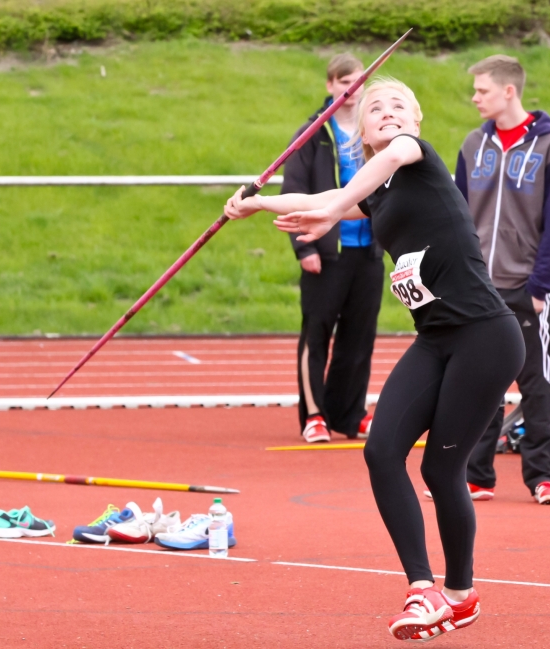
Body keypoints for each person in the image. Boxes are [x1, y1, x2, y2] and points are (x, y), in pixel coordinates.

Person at [224, 79, 525, 642]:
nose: (387, 113)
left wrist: (333, 210)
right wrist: (258, 203)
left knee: (441, 470)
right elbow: (323, 197)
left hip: (485, 336)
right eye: (375, 109)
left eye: (398, 105)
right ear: (359, 129)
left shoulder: (414, 154)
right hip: (435, 338)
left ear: (416, 119)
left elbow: (345, 192)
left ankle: (460, 594)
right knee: (381, 451)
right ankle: (423, 588)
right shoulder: (375, 191)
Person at [454, 54, 550, 505]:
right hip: (477, 286)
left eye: (482, 90)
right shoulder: (473, 144)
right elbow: (458, 215)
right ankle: (475, 476)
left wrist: (542, 286)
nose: (475, 98)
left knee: (537, 384)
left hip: (526, 286)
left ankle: (545, 478)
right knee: (478, 383)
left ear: (509, 91)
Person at [281, 53, 384, 443]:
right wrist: (303, 247)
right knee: (317, 333)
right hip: (325, 253)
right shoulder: (313, 133)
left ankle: (350, 413)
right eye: (344, 82)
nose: (352, 89)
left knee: (359, 336)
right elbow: (293, 190)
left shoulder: (373, 131)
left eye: (358, 81)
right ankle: (315, 415)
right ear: (330, 85)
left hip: (369, 251)